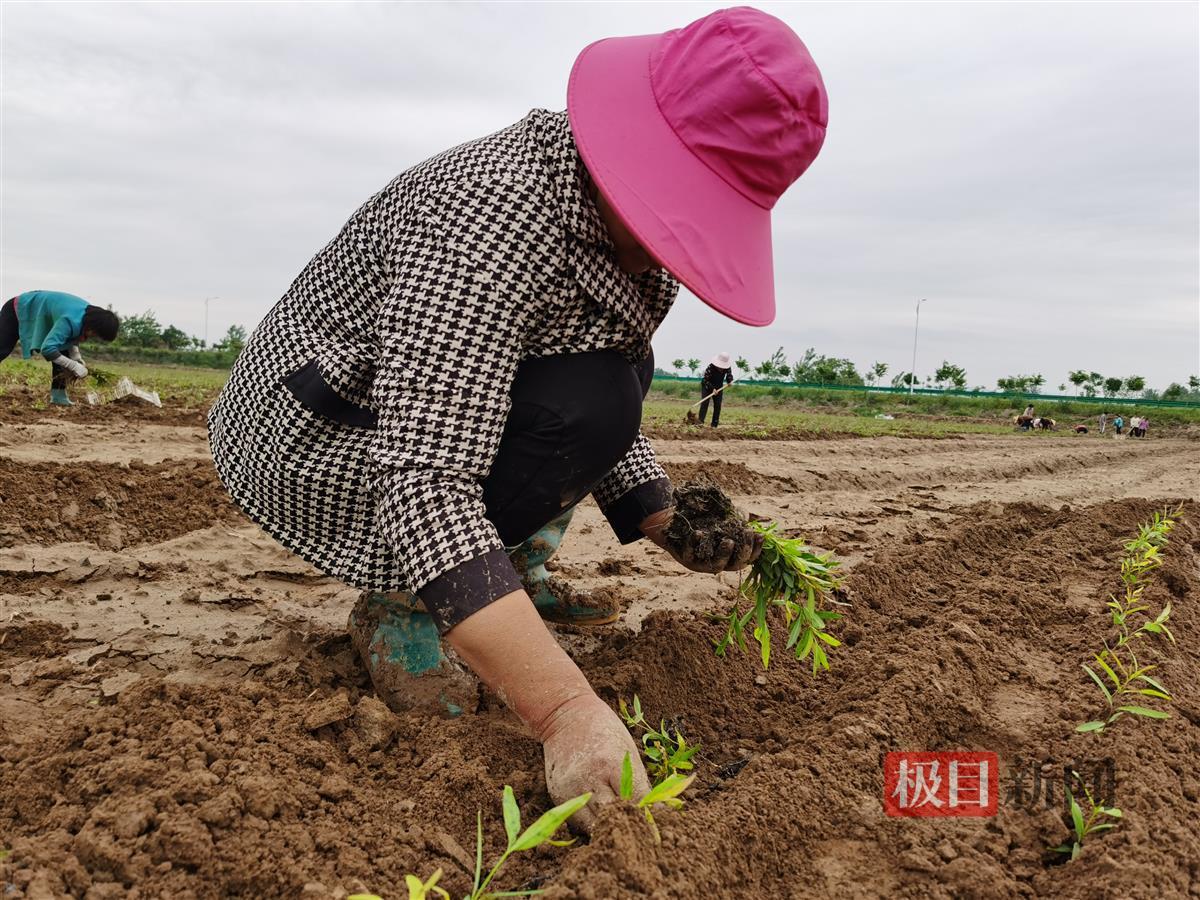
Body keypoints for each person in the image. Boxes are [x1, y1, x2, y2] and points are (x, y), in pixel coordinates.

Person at [206, 7, 827, 829]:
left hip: (422, 424)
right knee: (592, 395)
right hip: (322, 438)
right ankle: (405, 602)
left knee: (617, 376)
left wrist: (660, 515)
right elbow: (424, 479)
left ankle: (509, 578)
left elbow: (592, 396)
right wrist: (565, 709)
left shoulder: (624, 240)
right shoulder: (488, 215)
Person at [0, 291, 120, 406]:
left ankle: (59, 396)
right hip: (20, 308)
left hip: (41, 308)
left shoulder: (88, 315)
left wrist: (76, 357)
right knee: (2, 348)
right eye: (96, 334)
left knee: (63, 357)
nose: (94, 337)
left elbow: (69, 339)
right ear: (94, 326)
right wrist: (73, 365)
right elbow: (48, 350)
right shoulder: (69, 320)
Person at [698, 351, 734, 427]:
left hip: (719, 387)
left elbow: (729, 375)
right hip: (707, 386)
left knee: (718, 405)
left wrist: (730, 381)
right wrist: (712, 389)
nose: (721, 367)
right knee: (705, 403)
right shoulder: (711, 367)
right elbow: (705, 380)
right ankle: (700, 423)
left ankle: (714, 425)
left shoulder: (727, 367)